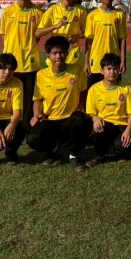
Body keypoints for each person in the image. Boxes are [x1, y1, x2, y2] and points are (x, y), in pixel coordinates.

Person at [26, 36, 89, 171]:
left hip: (70, 118)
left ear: (67, 53)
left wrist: (80, 108)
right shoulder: (41, 75)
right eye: (54, 53)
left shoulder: (77, 70)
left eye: (62, 52)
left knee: (80, 119)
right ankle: (52, 149)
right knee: (32, 139)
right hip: (50, 118)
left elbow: (83, 91)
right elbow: (38, 99)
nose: (58, 56)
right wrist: (36, 115)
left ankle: (74, 155)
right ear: (48, 56)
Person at [0, 0, 44, 126]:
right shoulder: (7, 12)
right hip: (11, 64)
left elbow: (37, 36)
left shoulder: (38, 13)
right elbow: (4, 36)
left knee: (29, 96)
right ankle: (12, 126)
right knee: (11, 96)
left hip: (30, 62)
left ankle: (27, 127)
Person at [84, 53, 131, 167]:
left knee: (124, 144)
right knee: (97, 130)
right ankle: (100, 154)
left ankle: (120, 154)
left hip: (122, 125)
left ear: (119, 70)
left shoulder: (127, 88)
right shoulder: (94, 89)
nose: (112, 72)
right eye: (109, 69)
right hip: (105, 124)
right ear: (102, 71)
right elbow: (90, 112)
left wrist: (129, 130)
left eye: (115, 68)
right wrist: (95, 118)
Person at [36, 0, 88, 68]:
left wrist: (78, 36)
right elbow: (38, 33)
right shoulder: (52, 10)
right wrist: (55, 26)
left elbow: (86, 32)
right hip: (56, 55)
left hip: (73, 56)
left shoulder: (81, 11)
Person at [84, 0, 127, 87]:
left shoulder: (120, 14)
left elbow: (122, 39)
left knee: (114, 92)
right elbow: (89, 42)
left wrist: (123, 61)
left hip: (114, 62)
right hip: (96, 62)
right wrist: (86, 62)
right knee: (94, 92)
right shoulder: (92, 15)